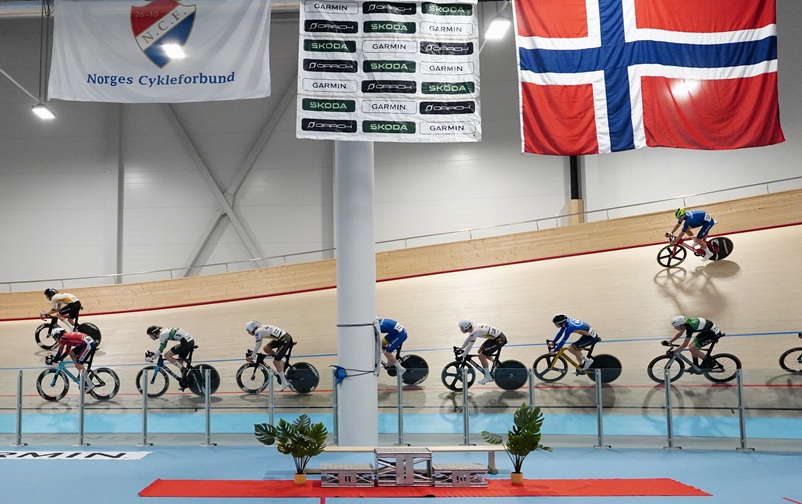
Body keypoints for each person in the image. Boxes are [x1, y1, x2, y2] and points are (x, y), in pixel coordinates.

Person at [244, 321, 294, 391]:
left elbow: (257, 345)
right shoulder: (259, 330)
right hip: (282, 338)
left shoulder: (258, 332)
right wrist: (253, 354)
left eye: (248, 331)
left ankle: (284, 383)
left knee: (275, 362)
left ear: (251, 329)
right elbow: (259, 343)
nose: (248, 333)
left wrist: (252, 356)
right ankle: (281, 362)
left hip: (284, 340)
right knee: (266, 348)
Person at [45, 327, 98, 392]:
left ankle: (90, 385)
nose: (55, 340)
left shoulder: (63, 338)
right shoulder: (66, 337)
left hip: (88, 345)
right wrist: (61, 357)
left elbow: (60, 351)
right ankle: (81, 372)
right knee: (72, 353)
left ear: (58, 335)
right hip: (87, 342)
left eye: (54, 338)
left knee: (78, 365)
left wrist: (53, 360)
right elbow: (67, 351)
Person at [456, 320, 507, 385]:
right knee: (480, 351)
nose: (461, 329)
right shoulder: (473, 328)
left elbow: (470, 345)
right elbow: (468, 339)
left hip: (499, 340)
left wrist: (463, 355)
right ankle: (496, 363)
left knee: (481, 356)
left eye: (461, 328)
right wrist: (461, 348)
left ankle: (488, 377)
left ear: (466, 327)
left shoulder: (475, 331)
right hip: (494, 338)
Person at [146, 325, 195, 390]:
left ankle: (183, 369)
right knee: (180, 362)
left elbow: (161, 349)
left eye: (150, 335)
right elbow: (162, 347)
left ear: (153, 333)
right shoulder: (164, 333)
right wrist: (155, 355)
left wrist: (152, 357)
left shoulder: (162, 335)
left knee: (167, 355)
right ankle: (185, 382)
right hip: (188, 341)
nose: (150, 337)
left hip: (186, 343)